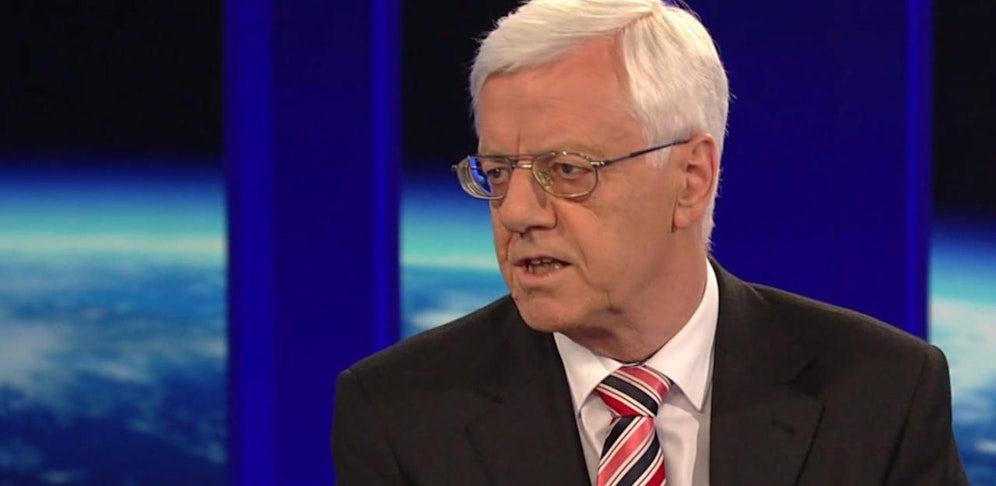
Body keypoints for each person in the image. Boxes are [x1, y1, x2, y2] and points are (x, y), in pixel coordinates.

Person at [332, 0, 967, 484]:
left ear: (691, 179)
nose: (517, 212)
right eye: (498, 173)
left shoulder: (882, 395)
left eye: (567, 170)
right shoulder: (400, 415)